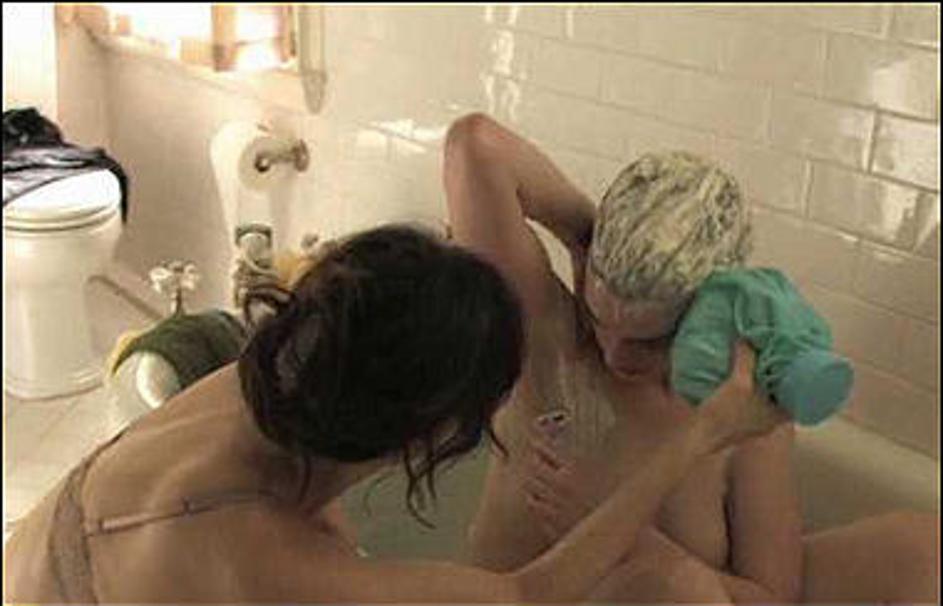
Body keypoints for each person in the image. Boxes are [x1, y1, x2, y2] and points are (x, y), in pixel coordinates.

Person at [3, 224, 782, 603]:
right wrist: (702, 434)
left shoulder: (274, 376)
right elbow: (526, 597)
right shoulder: (260, 558)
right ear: (430, 429)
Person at [444, 113, 939, 604]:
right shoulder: (549, 337)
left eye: (649, 341)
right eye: (599, 318)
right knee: (682, 589)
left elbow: (771, 599)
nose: (614, 354)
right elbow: (476, 145)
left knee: (923, 553)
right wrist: (590, 239)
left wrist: (619, 530)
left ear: (715, 311)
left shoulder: (741, 407)